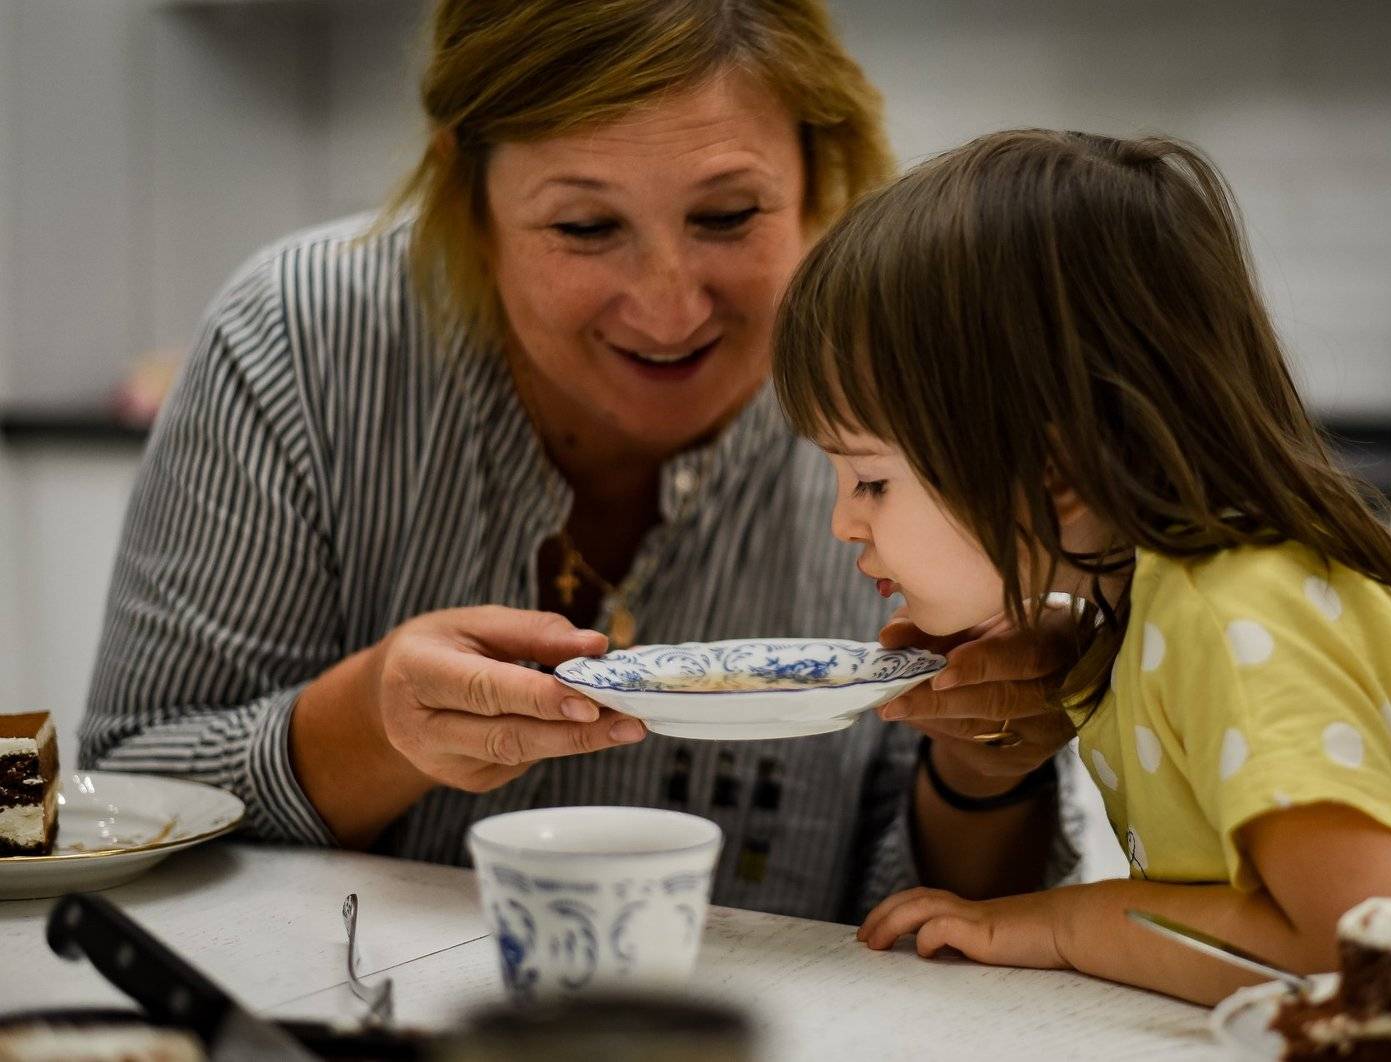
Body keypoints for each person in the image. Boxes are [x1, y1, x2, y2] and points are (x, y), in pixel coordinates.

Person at [79, 0, 1083, 923]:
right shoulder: (301, 343)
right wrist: (373, 727)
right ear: (467, 193)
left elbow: (938, 928)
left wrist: (985, 773)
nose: (670, 307)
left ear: (819, 179)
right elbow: (124, 794)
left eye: (728, 216)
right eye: (586, 227)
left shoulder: (915, 383)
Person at [772, 128, 1391, 999]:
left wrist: (1065, 924)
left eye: (870, 479)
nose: (843, 522)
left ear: (1055, 468)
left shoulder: (1237, 615)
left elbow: (1355, 952)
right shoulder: (1153, 608)